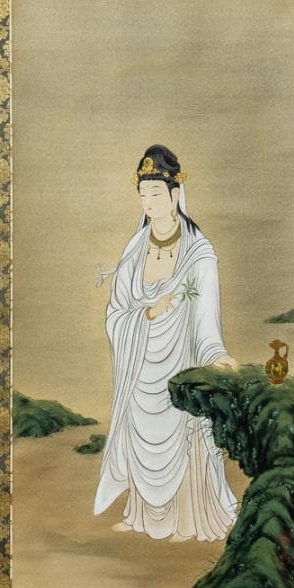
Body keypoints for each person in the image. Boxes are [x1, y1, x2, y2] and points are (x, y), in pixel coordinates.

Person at [92, 144, 240, 542]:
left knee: (184, 428)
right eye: (143, 195)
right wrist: (147, 316)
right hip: (141, 363)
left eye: (156, 194)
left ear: (175, 195)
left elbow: (207, 320)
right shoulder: (134, 250)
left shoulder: (199, 254)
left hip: (182, 361)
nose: (149, 204)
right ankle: (141, 515)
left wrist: (216, 354)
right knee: (141, 433)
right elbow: (116, 313)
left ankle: (187, 519)